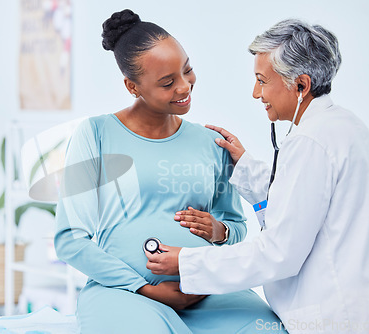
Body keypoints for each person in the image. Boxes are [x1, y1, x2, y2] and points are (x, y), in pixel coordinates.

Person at [145, 19, 369, 333]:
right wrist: (244, 164)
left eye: (262, 80)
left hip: (336, 317)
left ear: (300, 85)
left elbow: (279, 253)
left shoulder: (311, 141)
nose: (255, 93)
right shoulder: (344, 125)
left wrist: (186, 262)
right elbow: (305, 205)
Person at [54, 9, 286, 334]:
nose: (184, 86)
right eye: (167, 82)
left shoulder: (211, 142)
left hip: (207, 290)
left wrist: (219, 231)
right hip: (125, 293)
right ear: (132, 87)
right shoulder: (95, 135)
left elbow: (235, 225)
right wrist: (145, 288)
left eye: (187, 70)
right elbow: (70, 239)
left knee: (268, 330)